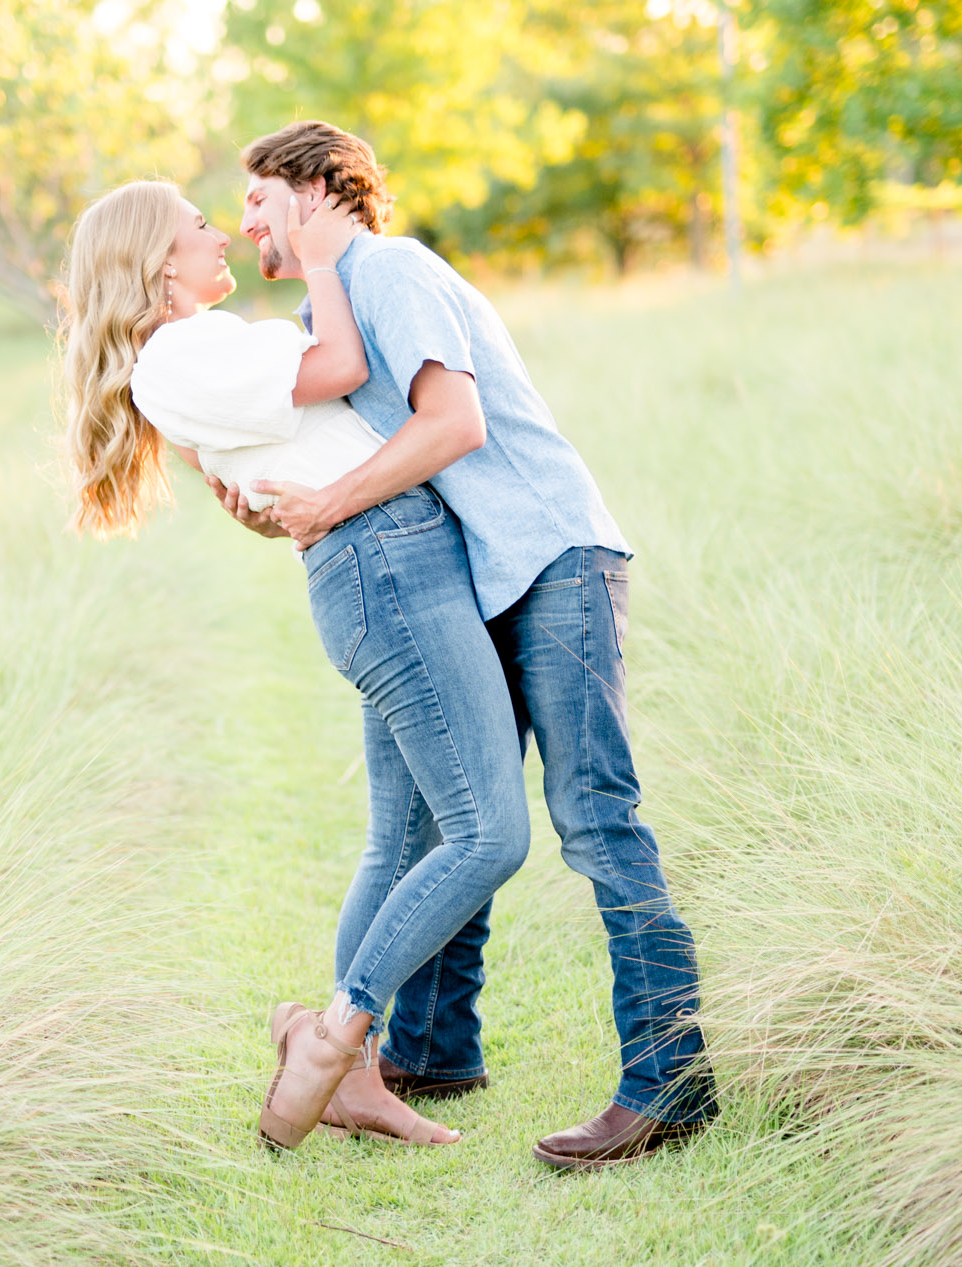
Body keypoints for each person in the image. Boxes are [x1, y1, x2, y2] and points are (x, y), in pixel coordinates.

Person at [214, 120, 717, 1170]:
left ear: (315, 188)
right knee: (460, 809)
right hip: (482, 569)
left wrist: (327, 503)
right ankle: (436, 1050)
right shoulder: (330, 303)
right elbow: (353, 450)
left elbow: (451, 426)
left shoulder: (387, 268)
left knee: (593, 818)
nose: (244, 219)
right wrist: (283, 506)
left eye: (257, 197)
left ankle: (668, 1080)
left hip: (550, 554)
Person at [59, 179, 533, 1150]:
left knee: (399, 841)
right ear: (158, 262)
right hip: (386, 563)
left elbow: (265, 467)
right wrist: (321, 258)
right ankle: (329, 1037)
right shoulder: (182, 351)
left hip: (388, 554)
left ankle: (350, 1075)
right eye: (199, 227)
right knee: (488, 833)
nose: (222, 233)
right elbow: (339, 363)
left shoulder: (193, 351)